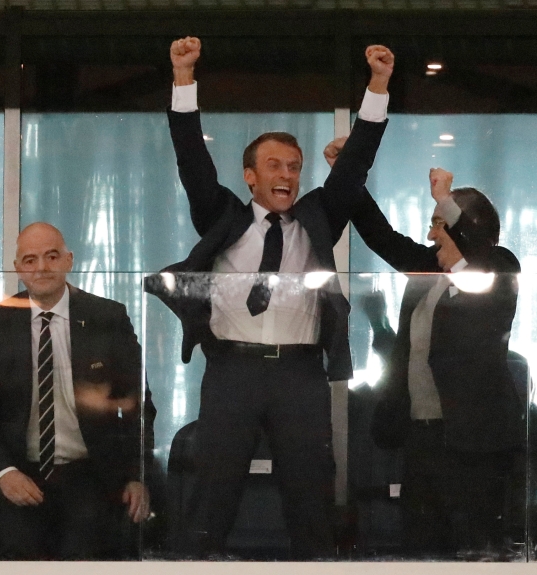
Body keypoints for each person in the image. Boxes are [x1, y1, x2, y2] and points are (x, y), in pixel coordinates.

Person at [144, 36, 391, 559]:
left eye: (294, 167)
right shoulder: (224, 214)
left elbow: (355, 166)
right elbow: (192, 160)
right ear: (250, 176)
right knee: (214, 491)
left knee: (309, 494)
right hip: (233, 370)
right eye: (275, 166)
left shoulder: (317, 217)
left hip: (299, 375)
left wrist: (377, 87)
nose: (287, 175)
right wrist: (183, 78)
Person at [326, 141, 523, 557]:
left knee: (474, 545)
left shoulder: (500, 267)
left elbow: (479, 288)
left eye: (439, 222)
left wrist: (447, 204)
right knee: (421, 543)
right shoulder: (428, 269)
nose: (431, 232)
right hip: (421, 433)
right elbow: (381, 237)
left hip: (473, 436)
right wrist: (349, 175)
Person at [0, 222, 151, 559]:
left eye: (52, 256)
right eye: (31, 260)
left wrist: (136, 476)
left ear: (69, 260)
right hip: (19, 470)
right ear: (19, 268)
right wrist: (4, 474)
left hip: (89, 472)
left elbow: (139, 405)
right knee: (14, 545)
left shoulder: (108, 316)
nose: (42, 268)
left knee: (87, 547)